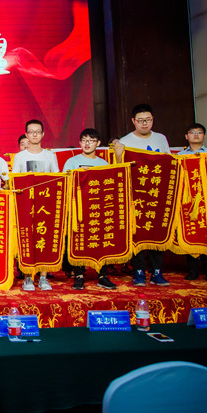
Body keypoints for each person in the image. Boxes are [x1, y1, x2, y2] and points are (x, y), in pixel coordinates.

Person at [112, 104, 171, 288]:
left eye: (148, 120)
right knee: (136, 233)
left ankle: (156, 271)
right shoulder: (125, 141)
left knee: (156, 231)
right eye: (140, 120)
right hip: (136, 194)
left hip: (156, 193)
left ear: (153, 120)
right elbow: (119, 168)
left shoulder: (161, 139)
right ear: (133, 121)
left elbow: (169, 163)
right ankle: (138, 271)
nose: (144, 123)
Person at [62, 128, 117, 290]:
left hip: (97, 208)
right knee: (78, 240)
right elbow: (64, 183)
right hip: (78, 208)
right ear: (80, 143)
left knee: (101, 241)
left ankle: (102, 275)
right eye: (84, 140)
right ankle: (79, 274)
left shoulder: (103, 164)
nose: (87, 144)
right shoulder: (71, 162)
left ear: (98, 143)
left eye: (91, 141)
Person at [12, 119, 58, 292]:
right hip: (26, 203)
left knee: (44, 238)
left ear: (43, 134)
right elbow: (15, 179)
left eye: (38, 132)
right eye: (31, 132)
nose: (34, 135)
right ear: (26, 134)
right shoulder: (20, 157)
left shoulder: (50, 156)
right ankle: (28, 277)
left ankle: (43, 276)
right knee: (27, 239)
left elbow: (56, 178)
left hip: (45, 203)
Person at [178, 123, 207, 281]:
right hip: (188, 201)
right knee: (191, 232)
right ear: (186, 136)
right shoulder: (180, 156)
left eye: (199, 132)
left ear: (204, 136)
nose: (196, 135)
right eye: (192, 132)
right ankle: (193, 270)